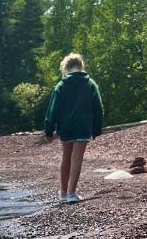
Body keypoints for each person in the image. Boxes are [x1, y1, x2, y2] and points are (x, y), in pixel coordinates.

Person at [43, 53, 104, 204]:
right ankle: (71, 194)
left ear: (66, 68)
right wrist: (96, 128)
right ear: (81, 66)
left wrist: (49, 130)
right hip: (83, 126)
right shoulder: (90, 84)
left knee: (66, 158)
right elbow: (98, 108)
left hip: (66, 127)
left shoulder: (61, 86)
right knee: (77, 159)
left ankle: (63, 193)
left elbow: (52, 109)